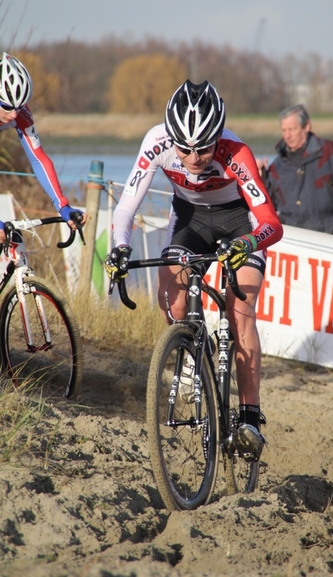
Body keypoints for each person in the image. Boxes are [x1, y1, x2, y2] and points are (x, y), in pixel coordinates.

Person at [105, 80, 283, 461]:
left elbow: (270, 222)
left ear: (217, 137)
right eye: (184, 148)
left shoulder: (236, 152)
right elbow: (125, 208)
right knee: (171, 300)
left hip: (238, 223)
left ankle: (250, 418)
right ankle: (187, 352)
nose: (194, 156)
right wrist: (119, 248)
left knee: (240, 315)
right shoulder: (156, 142)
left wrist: (248, 244)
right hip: (188, 220)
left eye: (203, 147)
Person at [0, 52, 87, 243]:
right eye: (7, 106)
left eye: (19, 107)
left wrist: (63, 205)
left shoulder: (19, 114)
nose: (14, 115)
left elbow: (38, 158)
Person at [256, 104, 333, 238]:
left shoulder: (332, 153)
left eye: (292, 129)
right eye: (284, 130)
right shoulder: (277, 165)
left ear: (307, 126)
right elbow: (268, 206)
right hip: (292, 237)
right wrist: (260, 179)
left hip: (331, 233)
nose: (287, 136)